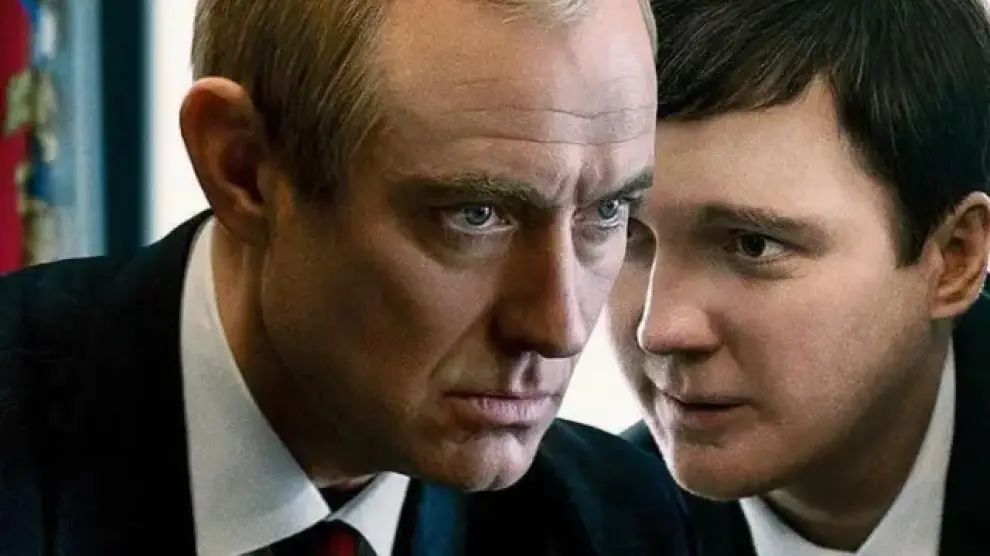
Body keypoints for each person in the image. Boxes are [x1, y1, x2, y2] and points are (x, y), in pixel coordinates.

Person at [0, 0, 696, 554]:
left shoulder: (621, 522)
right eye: (476, 215)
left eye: (608, 211)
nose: (559, 328)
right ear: (244, 169)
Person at [613, 0, 990, 554]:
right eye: (621, 230)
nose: (660, 329)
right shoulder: (582, 524)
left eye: (753, 245)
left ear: (955, 259)